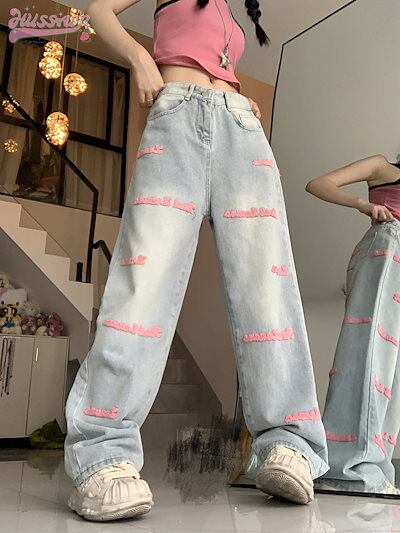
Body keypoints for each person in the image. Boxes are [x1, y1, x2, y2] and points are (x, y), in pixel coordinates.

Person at [64, 0, 329, 521]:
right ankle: (102, 454)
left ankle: (288, 442)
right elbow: (97, 10)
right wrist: (141, 59)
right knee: (144, 282)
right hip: (176, 116)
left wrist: (242, 102)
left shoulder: (233, 10)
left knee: (267, 284)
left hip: (241, 129)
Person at [306, 155, 400, 494]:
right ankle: (345, 469)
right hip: (387, 248)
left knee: (393, 376)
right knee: (367, 357)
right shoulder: (384, 168)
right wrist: (364, 205)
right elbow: (318, 184)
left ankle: (374, 470)